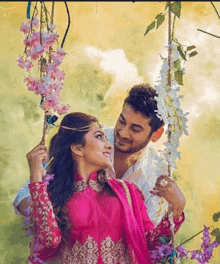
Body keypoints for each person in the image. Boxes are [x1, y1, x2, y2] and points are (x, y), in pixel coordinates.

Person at [26, 112, 186, 264]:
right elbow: (50, 239)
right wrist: (35, 176)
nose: (109, 145)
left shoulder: (128, 192)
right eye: (99, 137)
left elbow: (151, 245)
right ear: (77, 148)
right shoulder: (55, 195)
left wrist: (176, 211)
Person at [14, 84, 172, 223]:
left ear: (156, 135)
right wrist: (50, 220)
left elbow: (147, 234)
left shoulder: (157, 173)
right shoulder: (85, 139)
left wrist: (177, 212)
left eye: (135, 129)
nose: (123, 133)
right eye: (122, 121)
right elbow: (23, 196)